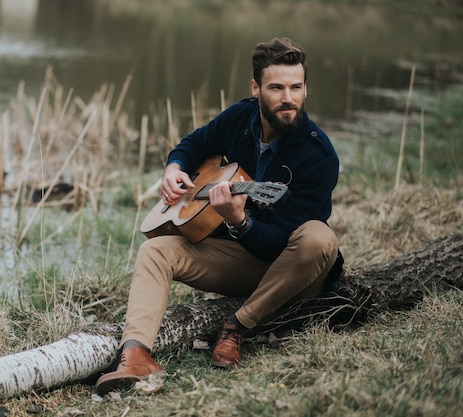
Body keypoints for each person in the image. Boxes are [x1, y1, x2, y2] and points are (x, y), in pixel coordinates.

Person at [95, 37, 343, 395]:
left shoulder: (318, 156)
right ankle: (135, 354)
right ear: (256, 89)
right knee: (155, 251)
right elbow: (194, 143)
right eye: (276, 87)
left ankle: (236, 327)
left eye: (296, 87)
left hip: (293, 269)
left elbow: (282, 245)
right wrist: (174, 168)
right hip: (240, 261)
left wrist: (240, 222)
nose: (288, 98)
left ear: (305, 89)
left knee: (320, 237)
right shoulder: (240, 116)